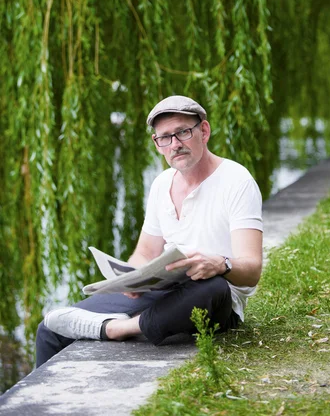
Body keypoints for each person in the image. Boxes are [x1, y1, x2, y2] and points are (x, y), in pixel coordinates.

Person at [36, 95, 263, 367]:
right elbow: (145, 252)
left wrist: (220, 264)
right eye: (165, 137)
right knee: (50, 329)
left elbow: (251, 270)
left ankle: (118, 328)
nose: (175, 144)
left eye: (183, 132)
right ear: (157, 144)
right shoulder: (161, 185)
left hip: (213, 299)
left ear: (204, 131)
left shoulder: (236, 181)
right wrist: (133, 279)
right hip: (164, 291)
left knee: (212, 288)